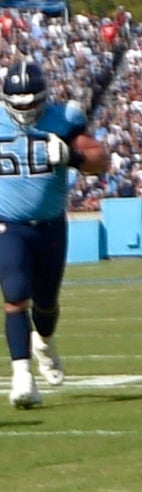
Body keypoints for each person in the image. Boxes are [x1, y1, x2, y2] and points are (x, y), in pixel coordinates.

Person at [1, 59, 110, 408]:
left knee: (46, 304)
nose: (26, 111)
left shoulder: (64, 118)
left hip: (50, 225)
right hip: (8, 224)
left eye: (32, 103)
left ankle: (44, 341)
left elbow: (100, 159)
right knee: (15, 295)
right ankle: (22, 377)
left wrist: (72, 156)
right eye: (19, 104)